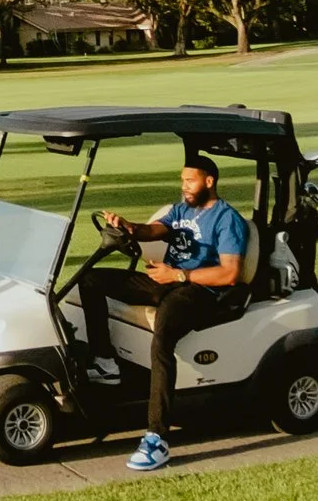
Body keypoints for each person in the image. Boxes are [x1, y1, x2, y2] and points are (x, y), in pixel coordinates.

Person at [71, 148, 249, 473]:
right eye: (182, 180)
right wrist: (128, 226)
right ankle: (105, 361)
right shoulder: (183, 210)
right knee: (92, 280)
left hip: (201, 291)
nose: (184, 186)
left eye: (190, 181)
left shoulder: (228, 220)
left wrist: (179, 275)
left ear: (209, 181)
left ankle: (157, 438)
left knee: (162, 338)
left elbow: (230, 273)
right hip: (168, 280)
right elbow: (153, 230)